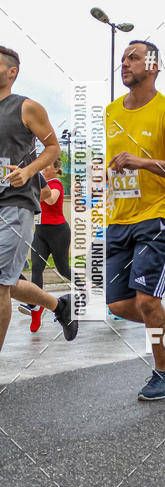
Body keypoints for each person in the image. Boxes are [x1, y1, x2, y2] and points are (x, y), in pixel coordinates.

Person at [105, 40, 165, 401]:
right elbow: (115, 162)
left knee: (147, 301)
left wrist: (143, 162)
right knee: (116, 304)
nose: (125, 63)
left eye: (132, 58)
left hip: (159, 215)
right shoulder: (111, 112)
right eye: (123, 59)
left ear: (154, 66)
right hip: (120, 217)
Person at [0, 47, 78, 353]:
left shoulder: (26, 108)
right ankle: (59, 306)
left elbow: (52, 147)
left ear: (11, 72)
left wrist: (28, 171)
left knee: (2, 285)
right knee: (8, 280)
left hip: (15, 205)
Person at [19, 158, 71, 332]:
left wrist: (33, 190)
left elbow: (50, 200)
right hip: (40, 232)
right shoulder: (38, 184)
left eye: (47, 164)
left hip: (58, 232)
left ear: (56, 169)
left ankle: (84, 287)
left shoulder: (56, 184)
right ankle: (35, 309)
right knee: (36, 269)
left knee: (63, 269)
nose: (44, 167)